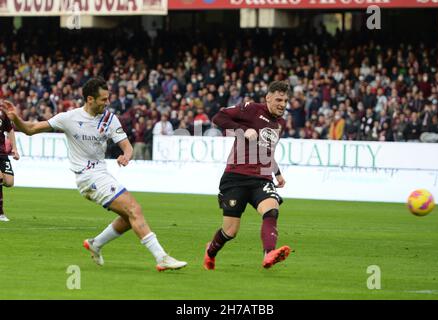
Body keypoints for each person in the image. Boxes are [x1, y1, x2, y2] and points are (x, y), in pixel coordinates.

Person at [0, 77, 187, 271]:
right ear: (90, 99)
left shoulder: (109, 119)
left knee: (128, 217)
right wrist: (17, 120)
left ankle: (95, 243)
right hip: (87, 177)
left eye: (108, 99)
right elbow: (30, 129)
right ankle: (161, 257)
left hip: (102, 173)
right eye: (103, 99)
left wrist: (127, 155)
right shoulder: (69, 118)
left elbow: (127, 146)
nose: (107, 103)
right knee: (134, 209)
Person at [203, 81, 291, 270]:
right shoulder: (251, 109)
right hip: (236, 176)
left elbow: (267, 151)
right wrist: (242, 131)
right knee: (230, 231)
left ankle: (269, 254)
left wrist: (277, 173)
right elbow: (218, 117)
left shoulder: (280, 123)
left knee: (271, 210)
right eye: (278, 100)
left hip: (262, 178)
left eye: (285, 100)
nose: (282, 104)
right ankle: (210, 251)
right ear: (268, 98)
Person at [0, 110, 20, 222]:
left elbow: (10, 130)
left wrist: (15, 149)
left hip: (2, 153)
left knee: (8, 182)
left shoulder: (2, 114)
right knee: (0, 178)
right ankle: (0, 213)